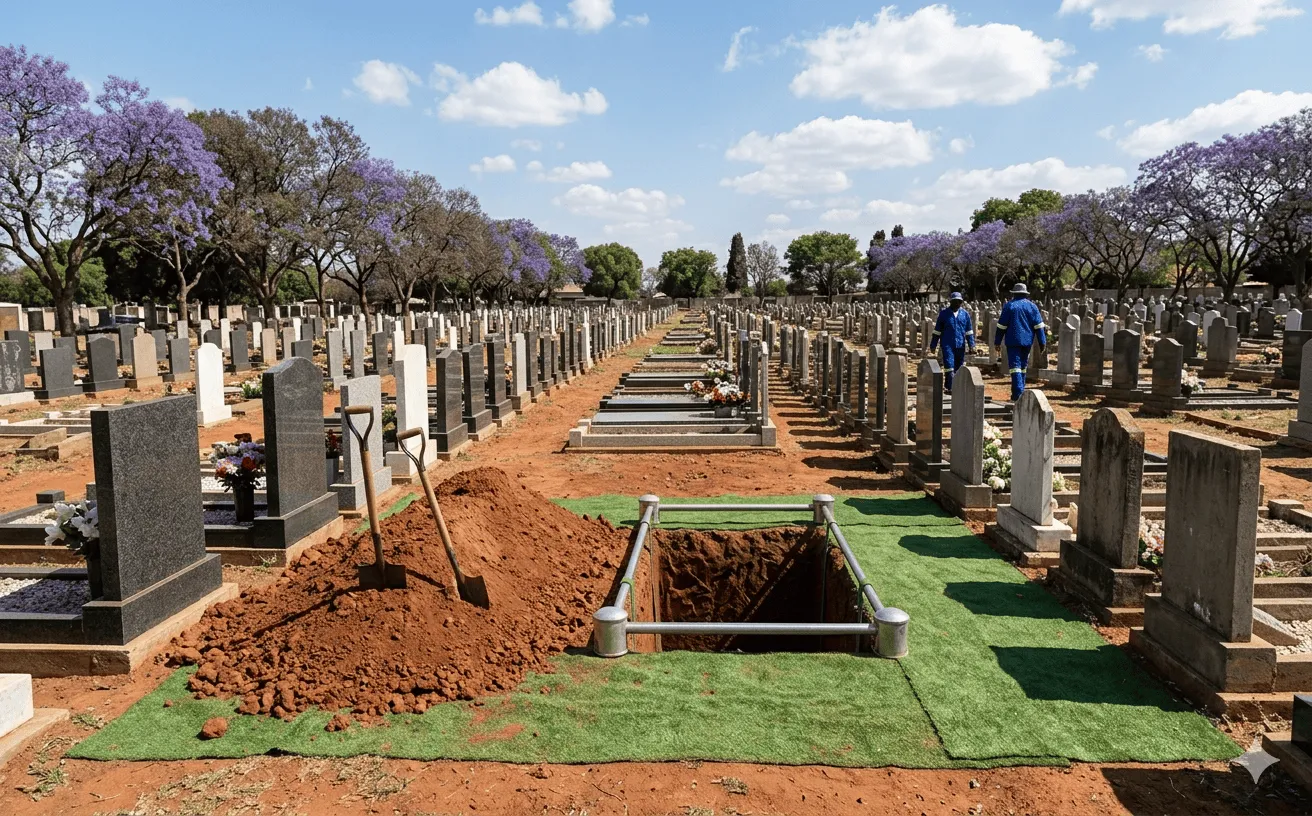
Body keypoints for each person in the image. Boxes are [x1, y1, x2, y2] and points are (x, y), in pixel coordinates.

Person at [994, 282, 1047, 401]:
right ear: (1025, 294)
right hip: (1027, 342)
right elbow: (1039, 326)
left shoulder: (1009, 306)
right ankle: (1019, 392)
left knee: (1015, 367)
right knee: (1023, 367)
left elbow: (1001, 326)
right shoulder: (1032, 306)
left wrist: (997, 341)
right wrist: (1042, 342)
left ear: (1014, 293)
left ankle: (1018, 394)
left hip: (1013, 342)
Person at [929, 292, 975, 393]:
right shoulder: (944, 314)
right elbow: (937, 331)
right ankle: (950, 387)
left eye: (959, 302)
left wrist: (972, 345)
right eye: (955, 301)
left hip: (960, 345)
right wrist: (933, 345)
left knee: (959, 368)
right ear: (951, 302)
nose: (957, 304)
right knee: (949, 366)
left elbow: (969, 332)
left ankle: (956, 387)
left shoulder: (965, 315)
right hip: (947, 345)